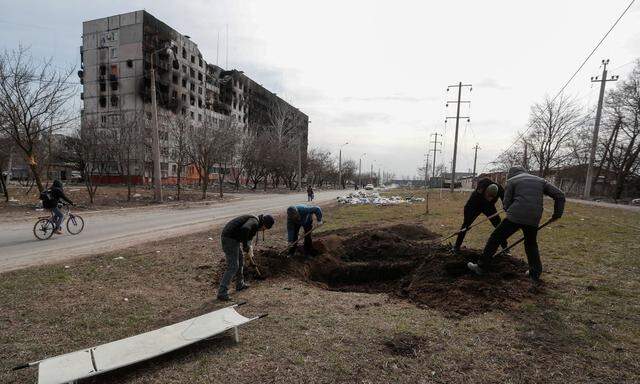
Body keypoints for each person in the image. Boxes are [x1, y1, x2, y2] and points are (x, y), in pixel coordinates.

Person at [467, 166, 565, 282]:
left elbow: (506, 203)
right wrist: (557, 214)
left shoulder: (512, 181)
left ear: (511, 174)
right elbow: (560, 195)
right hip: (534, 217)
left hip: (515, 215)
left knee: (495, 238)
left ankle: (481, 267)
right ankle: (534, 274)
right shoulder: (540, 181)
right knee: (531, 244)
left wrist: (509, 210)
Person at [217, 214, 275, 301]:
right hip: (229, 239)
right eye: (264, 229)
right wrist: (244, 245)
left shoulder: (255, 223)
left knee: (240, 262)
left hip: (234, 239)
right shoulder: (254, 222)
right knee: (233, 266)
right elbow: (245, 229)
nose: (263, 230)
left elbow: (248, 238)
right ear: (264, 224)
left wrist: (248, 248)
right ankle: (222, 292)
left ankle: (240, 284)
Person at [453, 178, 507, 253]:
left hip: (489, 207)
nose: (490, 199)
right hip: (475, 205)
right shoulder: (480, 188)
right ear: (485, 191)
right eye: (488, 196)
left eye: (492, 197)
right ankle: (456, 246)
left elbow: (505, 199)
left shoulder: (499, 189)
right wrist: (467, 219)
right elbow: (468, 207)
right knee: (465, 226)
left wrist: (506, 206)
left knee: (499, 226)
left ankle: (505, 248)